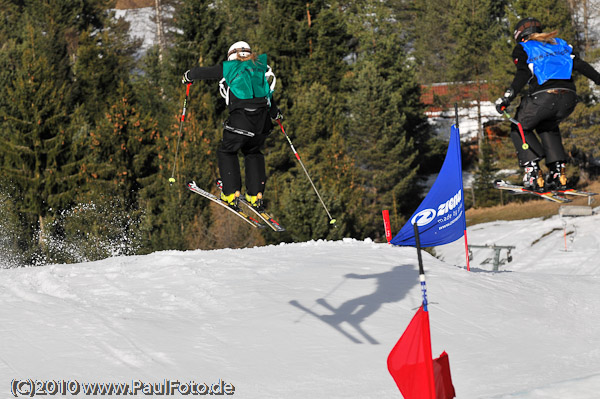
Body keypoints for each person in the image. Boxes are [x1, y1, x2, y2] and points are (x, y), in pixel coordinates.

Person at [495, 17, 600, 191]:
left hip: (544, 97)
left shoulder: (524, 48)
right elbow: (580, 65)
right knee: (547, 126)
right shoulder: (560, 44)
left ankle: (533, 171)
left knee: (519, 126)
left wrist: (507, 97)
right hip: (569, 99)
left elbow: (522, 75)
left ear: (520, 35)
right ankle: (558, 173)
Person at [182, 41, 281, 210]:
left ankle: (230, 192)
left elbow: (202, 72)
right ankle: (255, 195)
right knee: (253, 152)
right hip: (262, 122)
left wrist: (188, 76)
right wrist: (276, 114)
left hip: (241, 120)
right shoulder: (259, 68)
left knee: (227, 151)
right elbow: (268, 97)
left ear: (231, 55)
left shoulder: (230, 67)